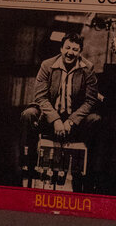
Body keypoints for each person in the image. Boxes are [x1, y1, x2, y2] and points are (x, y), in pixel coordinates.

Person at [21, 32, 101, 186]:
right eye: (67, 48)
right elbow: (40, 97)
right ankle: (29, 165)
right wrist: (56, 119)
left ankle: (87, 175)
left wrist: (71, 121)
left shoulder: (88, 68)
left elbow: (90, 100)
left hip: (74, 122)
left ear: (80, 52)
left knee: (95, 119)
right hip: (49, 119)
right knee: (28, 114)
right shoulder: (47, 65)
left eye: (75, 50)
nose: (70, 52)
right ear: (61, 48)